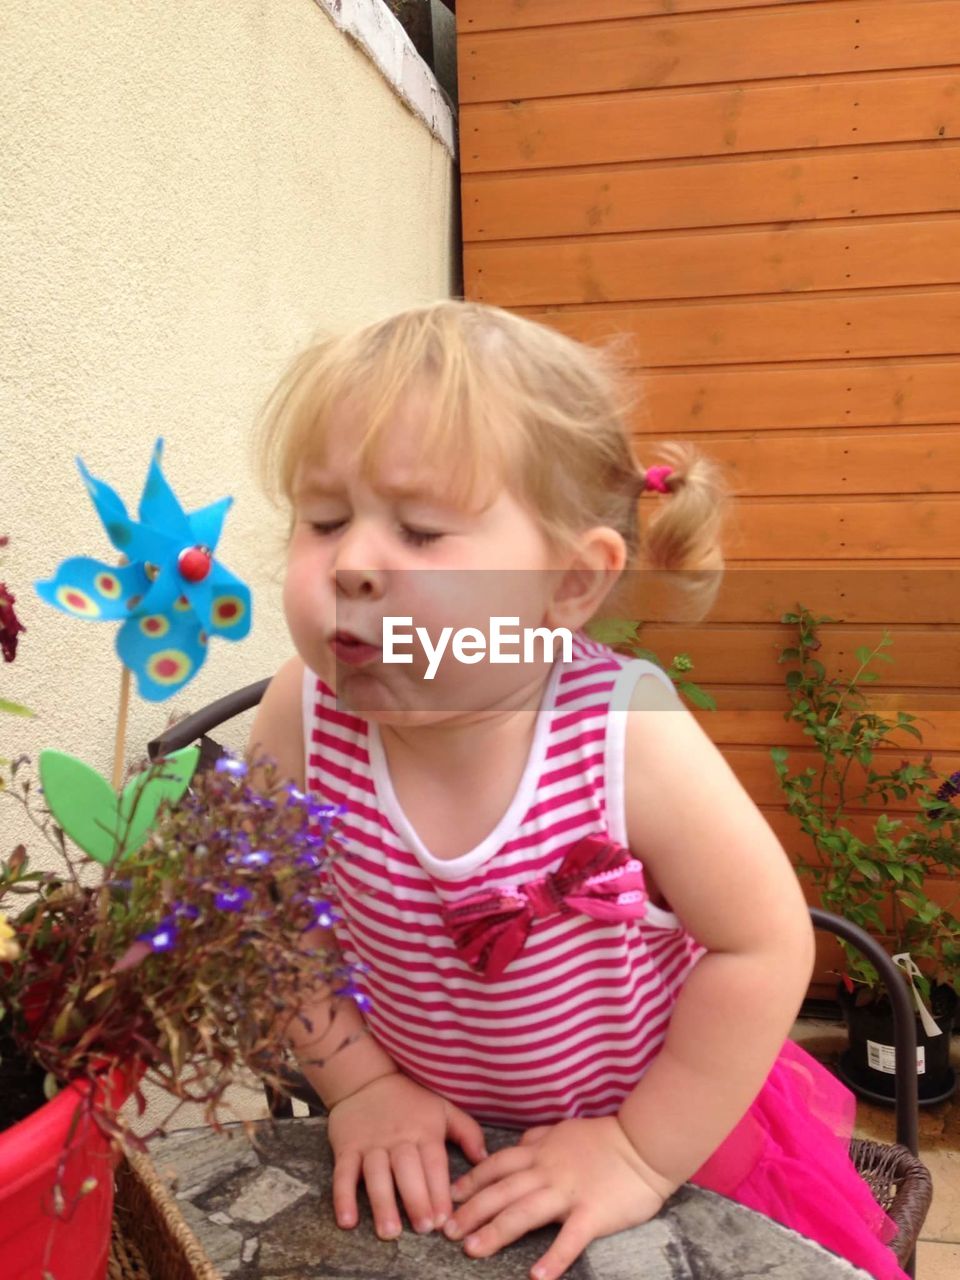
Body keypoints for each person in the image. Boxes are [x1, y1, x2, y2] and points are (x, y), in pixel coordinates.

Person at [246, 300, 906, 1280]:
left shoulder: (621, 733)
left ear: (567, 585)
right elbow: (257, 913)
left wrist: (639, 1147)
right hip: (444, 1143)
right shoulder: (303, 713)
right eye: (325, 518)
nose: (350, 563)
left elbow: (765, 941)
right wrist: (359, 1084)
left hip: (664, 1137)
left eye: (421, 530)